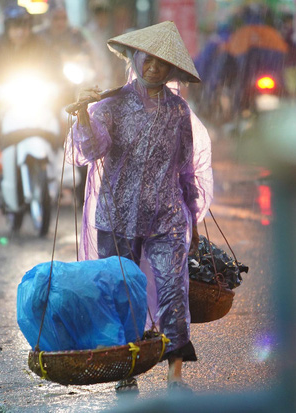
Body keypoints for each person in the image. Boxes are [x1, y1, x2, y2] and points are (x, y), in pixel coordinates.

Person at [67, 21, 213, 394]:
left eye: (161, 64)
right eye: (147, 61)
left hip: (165, 216)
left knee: (173, 291)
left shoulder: (178, 112)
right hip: (116, 216)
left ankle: (175, 375)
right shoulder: (111, 104)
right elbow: (92, 149)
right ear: (135, 59)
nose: (153, 69)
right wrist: (84, 113)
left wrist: (193, 222)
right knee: (121, 293)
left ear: (170, 70)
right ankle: (125, 370)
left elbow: (185, 170)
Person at [0, 4, 62, 189]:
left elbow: (56, 70)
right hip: (0, 107)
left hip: (38, 106)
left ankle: (64, 172)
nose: (20, 32)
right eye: (15, 27)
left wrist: (60, 86)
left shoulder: (42, 45)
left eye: (24, 26)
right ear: (8, 28)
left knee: (66, 122)